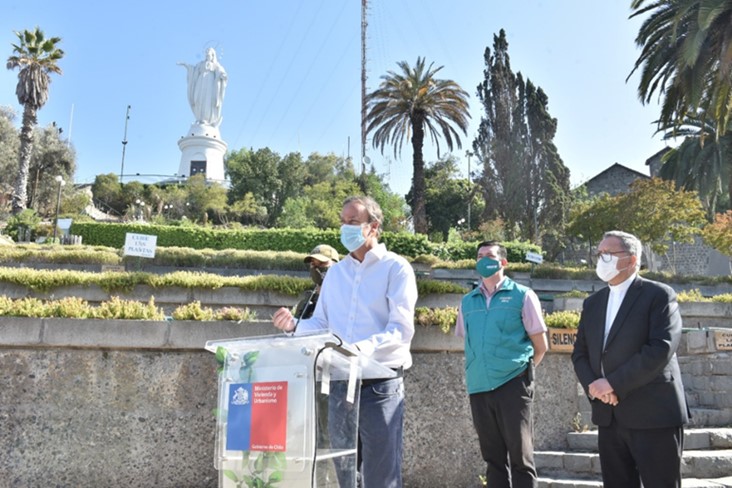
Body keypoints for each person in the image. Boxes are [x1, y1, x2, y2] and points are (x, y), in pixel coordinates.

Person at [273, 195, 418, 488]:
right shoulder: (336, 274)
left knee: (381, 475)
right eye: (342, 222)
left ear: (374, 227)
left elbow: (400, 330)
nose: (345, 229)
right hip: (339, 385)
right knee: (346, 473)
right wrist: (294, 326)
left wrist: (360, 349)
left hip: (379, 384)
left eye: (353, 222)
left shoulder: (396, 269)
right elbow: (322, 325)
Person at [571, 230, 688, 488]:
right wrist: (596, 387)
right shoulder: (593, 303)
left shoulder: (658, 295)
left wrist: (612, 383)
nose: (602, 259)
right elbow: (580, 353)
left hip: (653, 414)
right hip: (609, 416)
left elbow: (661, 348)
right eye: (599, 253)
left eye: (609, 254)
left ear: (632, 260)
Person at [455, 240, 548, 488]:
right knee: (493, 458)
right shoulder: (467, 302)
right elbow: (471, 342)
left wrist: (523, 374)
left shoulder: (522, 295)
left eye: (490, 255)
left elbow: (541, 346)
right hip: (479, 386)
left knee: (520, 456)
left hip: (513, 384)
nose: (484, 259)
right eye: (480, 255)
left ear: (503, 262)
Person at [177, 47, 227, 127]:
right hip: (200, 83)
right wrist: (186, 66)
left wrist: (222, 75)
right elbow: (193, 70)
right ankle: (199, 118)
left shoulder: (215, 65)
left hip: (210, 83)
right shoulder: (201, 64)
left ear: (213, 56)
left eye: (209, 55)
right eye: (206, 55)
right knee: (198, 98)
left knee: (207, 100)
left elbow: (220, 71)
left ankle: (206, 119)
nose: (207, 56)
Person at [292, 244, 339, 321]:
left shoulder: (344, 294)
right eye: (313, 264)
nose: (316, 268)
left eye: (322, 263)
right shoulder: (311, 296)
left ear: (335, 264)